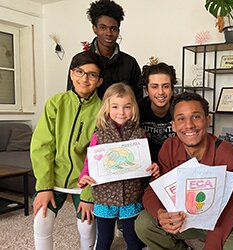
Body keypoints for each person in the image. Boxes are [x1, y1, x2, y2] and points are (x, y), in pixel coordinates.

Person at [135, 92, 233, 250]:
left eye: (196, 117)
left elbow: (227, 213)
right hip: (187, 213)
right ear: (173, 125)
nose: (188, 125)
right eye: (181, 118)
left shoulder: (231, 157)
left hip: (231, 215)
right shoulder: (169, 147)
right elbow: (152, 190)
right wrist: (161, 215)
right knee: (144, 223)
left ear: (208, 120)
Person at [31, 50, 105, 250]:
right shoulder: (56, 103)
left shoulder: (104, 110)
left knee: (87, 225)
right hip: (54, 179)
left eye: (92, 74)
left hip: (84, 183)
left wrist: (89, 195)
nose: (84, 79)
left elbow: (99, 156)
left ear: (99, 81)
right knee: (41, 220)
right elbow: (42, 145)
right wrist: (44, 187)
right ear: (71, 74)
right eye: (79, 72)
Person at [78, 83, 160, 250]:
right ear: (107, 108)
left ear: (133, 108)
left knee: (132, 239)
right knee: (104, 240)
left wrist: (153, 168)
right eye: (115, 106)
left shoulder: (140, 134)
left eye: (127, 107)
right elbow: (90, 161)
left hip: (131, 197)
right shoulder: (99, 134)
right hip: (104, 197)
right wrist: (84, 176)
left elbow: (145, 162)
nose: (121, 112)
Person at [67, 0, 142, 100]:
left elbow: (137, 100)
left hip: (120, 115)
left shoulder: (130, 63)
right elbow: (71, 98)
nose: (109, 33)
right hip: (88, 115)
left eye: (113, 29)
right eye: (103, 27)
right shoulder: (80, 61)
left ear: (118, 31)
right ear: (94, 28)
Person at [139, 61, 176, 162]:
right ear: (146, 90)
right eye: (154, 87)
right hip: (146, 165)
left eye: (166, 86)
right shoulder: (137, 110)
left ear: (172, 89)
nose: (160, 92)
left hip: (174, 164)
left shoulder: (180, 108)